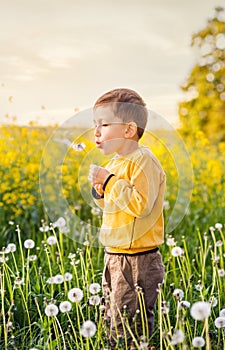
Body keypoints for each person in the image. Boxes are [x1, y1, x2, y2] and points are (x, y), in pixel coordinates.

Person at [88, 88, 165, 349]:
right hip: (116, 254)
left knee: (130, 322)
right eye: (94, 125)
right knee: (113, 314)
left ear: (129, 130)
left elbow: (141, 205)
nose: (96, 132)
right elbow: (114, 201)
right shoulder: (116, 163)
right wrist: (100, 188)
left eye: (104, 124)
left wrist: (108, 182)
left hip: (137, 259)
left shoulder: (143, 160)